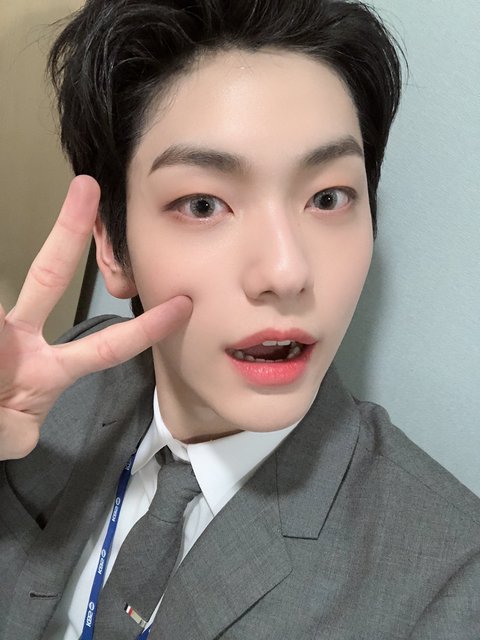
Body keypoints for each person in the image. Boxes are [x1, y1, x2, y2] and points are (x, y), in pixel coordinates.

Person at [1, 0, 479, 638]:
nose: (286, 270)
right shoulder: (60, 386)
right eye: (203, 204)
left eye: (328, 197)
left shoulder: (449, 585)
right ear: (113, 247)